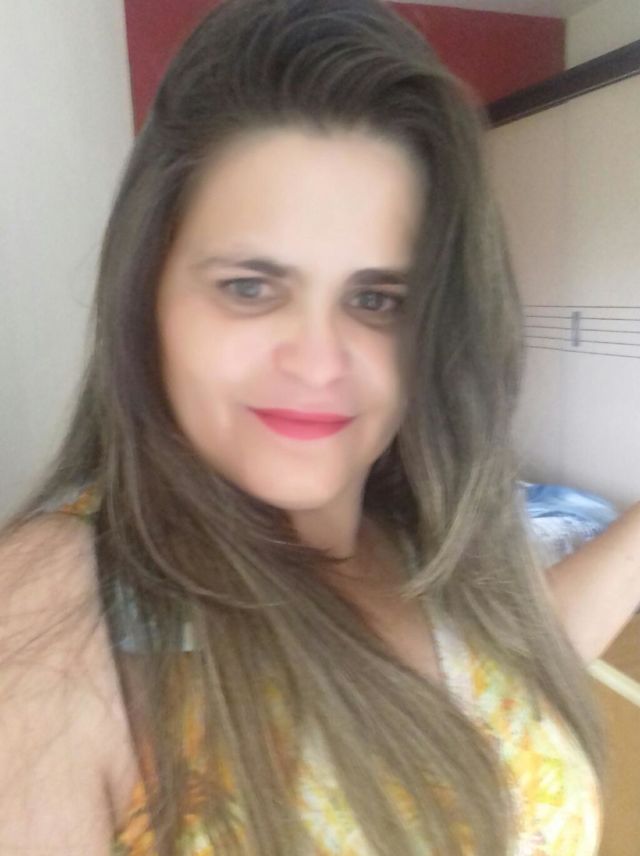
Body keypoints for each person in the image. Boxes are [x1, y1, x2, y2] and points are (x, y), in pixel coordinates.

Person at [2, 0, 639, 853]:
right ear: (148, 294)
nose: (317, 360)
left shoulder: (426, 523)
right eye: (250, 287)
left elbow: (510, 680)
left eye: (375, 298)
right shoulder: (57, 601)